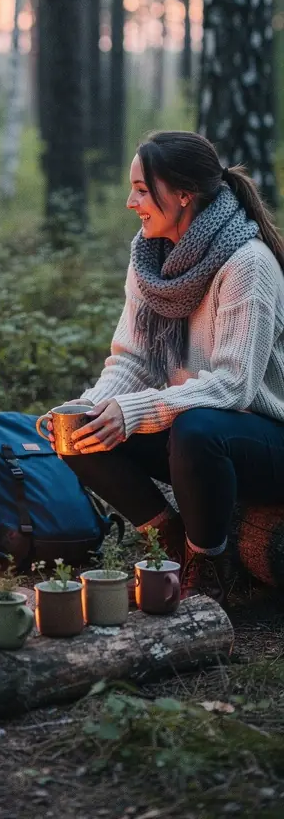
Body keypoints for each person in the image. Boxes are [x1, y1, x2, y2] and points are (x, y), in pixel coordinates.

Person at [45, 131, 284, 605]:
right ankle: (172, 539)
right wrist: (88, 407)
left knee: (196, 429)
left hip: (264, 437)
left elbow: (234, 387)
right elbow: (133, 359)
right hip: (200, 429)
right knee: (78, 429)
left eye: (140, 189)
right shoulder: (151, 261)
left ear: (182, 195)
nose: (130, 202)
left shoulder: (247, 265)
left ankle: (209, 564)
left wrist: (135, 411)